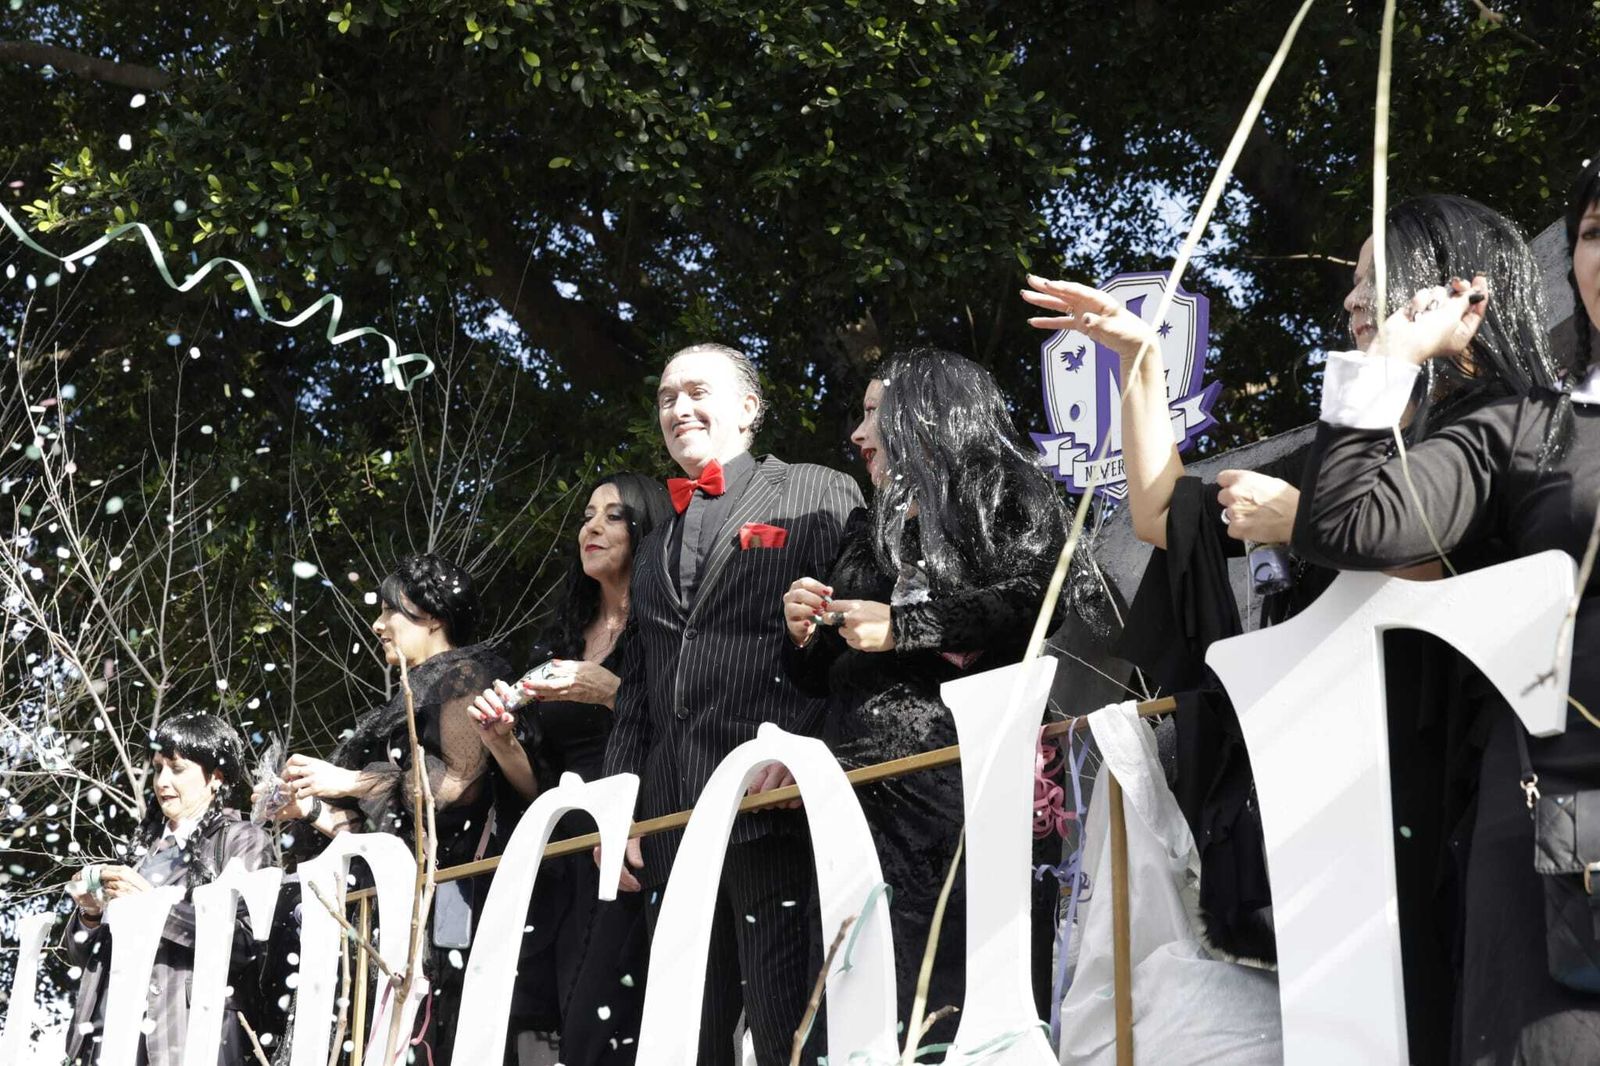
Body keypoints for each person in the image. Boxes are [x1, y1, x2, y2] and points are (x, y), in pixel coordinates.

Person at [1022, 194, 1564, 1061]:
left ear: (1463, 291)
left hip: (1455, 777)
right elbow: (1167, 514)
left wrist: (1304, 518)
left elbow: (1437, 558)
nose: (1354, 303)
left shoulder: (1515, 431)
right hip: (1326, 784)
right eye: (1352, 285)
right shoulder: (1346, 441)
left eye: (1376, 283)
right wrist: (1141, 361)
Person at [1293, 156, 1600, 1065]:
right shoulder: (1529, 429)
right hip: (1563, 839)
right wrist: (1389, 359)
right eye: (1591, 231)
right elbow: (1344, 519)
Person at [780, 348, 1067, 1050]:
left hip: (958, 784)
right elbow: (823, 674)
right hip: (857, 786)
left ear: (929, 413)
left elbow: (1036, 603)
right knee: (858, 985)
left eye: (875, 411)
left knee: (953, 984)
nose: (857, 431)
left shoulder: (1010, 493)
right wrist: (804, 630)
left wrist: (902, 626)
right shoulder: (866, 524)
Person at [599, 342, 863, 1066]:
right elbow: (642, 690)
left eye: (695, 392)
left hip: (769, 806)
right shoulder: (652, 547)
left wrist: (808, 756)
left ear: (749, 408)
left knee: (791, 1034)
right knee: (685, 1040)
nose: (678, 409)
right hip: (672, 821)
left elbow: (848, 639)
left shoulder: (815, 489)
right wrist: (621, 803)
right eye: (665, 397)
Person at [270, 552, 509, 1066]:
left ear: (435, 616)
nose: (378, 624)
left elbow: (457, 785)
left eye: (390, 611)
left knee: (422, 1038)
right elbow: (371, 827)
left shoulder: (465, 674)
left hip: (444, 901)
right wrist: (309, 807)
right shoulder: (394, 700)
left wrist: (350, 779)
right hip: (376, 909)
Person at [470, 472, 672, 1065]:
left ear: (646, 529)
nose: (592, 526)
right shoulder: (558, 640)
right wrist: (502, 740)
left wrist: (606, 690)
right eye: (588, 514)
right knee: (553, 1024)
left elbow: (683, 724)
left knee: (604, 1028)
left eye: (613, 515)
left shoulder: (668, 628)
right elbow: (538, 780)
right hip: (565, 857)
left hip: (637, 842)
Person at [63, 713, 274, 1066]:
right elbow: (85, 959)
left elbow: (247, 945)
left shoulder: (241, 840)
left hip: (190, 1037)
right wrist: (90, 913)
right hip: (111, 1036)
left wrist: (153, 907)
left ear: (216, 777)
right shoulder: (141, 852)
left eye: (177, 769)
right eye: (158, 768)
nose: (162, 781)